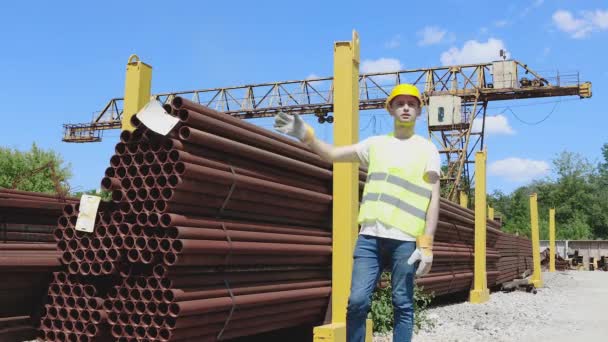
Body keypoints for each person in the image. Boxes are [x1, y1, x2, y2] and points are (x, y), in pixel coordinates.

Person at [274, 83, 440, 342]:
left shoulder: (427, 149)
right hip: (369, 238)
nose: (405, 108)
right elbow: (332, 155)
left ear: (419, 111)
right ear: (391, 110)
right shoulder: (375, 145)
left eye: (411, 104)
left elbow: (433, 197)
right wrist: (306, 135)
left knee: (403, 303)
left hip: (406, 239)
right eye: (400, 103)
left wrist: (427, 244)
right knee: (357, 301)